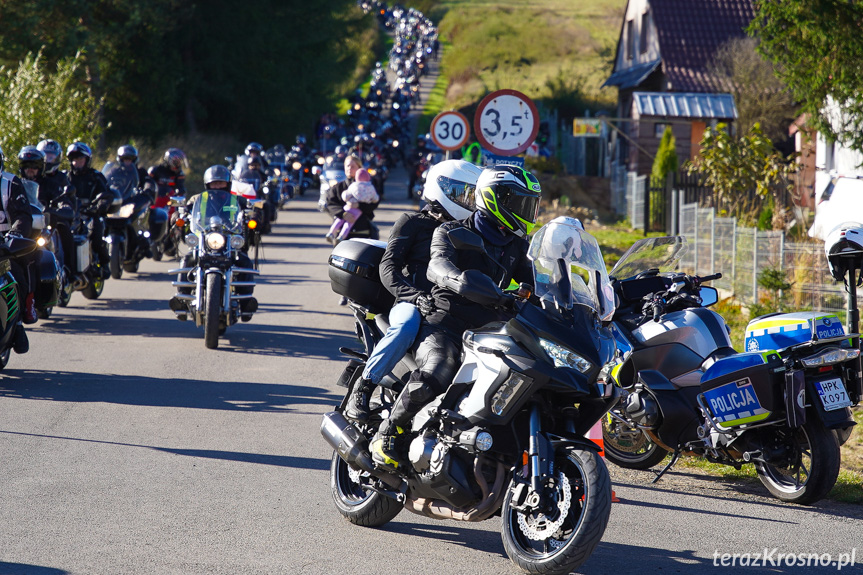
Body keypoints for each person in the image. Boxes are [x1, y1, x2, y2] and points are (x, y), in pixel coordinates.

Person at [370, 165, 542, 469]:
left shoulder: (516, 246)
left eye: (529, 203)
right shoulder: (452, 231)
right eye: (518, 202)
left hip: (490, 330)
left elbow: (540, 285)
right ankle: (390, 431)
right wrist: (458, 279)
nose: (525, 210)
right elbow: (437, 266)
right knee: (439, 368)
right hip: (446, 322)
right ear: (494, 199)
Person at [344, 160, 482, 422]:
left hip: (449, 309)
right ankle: (363, 388)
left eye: (471, 195)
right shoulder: (412, 221)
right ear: (440, 189)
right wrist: (414, 297)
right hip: (411, 301)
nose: (466, 200)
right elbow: (388, 268)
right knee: (407, 325)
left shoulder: (467, 232)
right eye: (460, 193)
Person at [169, 165, 258, 321]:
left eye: (220, 183)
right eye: (214, 183)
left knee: (245, 262)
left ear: (227, 183)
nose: (217, 186)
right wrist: (177, 215)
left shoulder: (237, 200)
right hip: (205, 240)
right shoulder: (197, 199)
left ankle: (245, 303)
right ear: (208, 184)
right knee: (187, 260)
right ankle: (182, 299)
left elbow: (251, 210)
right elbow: (185, 209)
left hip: (228, 240)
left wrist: (255, 216)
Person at [0, 145, 38, 338]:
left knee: (17, 273)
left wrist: (15, 233)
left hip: (5, 242)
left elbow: (24, 215)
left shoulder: (10, 183)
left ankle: (18, 320)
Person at [66, 142, 112, 279]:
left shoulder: (96, 176)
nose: (77, 162)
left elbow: (106, 194)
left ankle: (104, 263)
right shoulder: (66, 177)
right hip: (70, 215)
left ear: (87, 160)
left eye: (80, 159)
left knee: (96, 234)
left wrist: (101, 205)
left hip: (91, 214)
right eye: (74, 159)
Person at [33, 141, 77, 282]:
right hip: (36, 218)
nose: (48, 159)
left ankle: (70, 269)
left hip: (55, 217)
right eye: (45, 156)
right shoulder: (34, 179)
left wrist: (60, 208)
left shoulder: (61, 178)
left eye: (51, 156)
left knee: (64, 228)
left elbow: (66, 200)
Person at [324, 155, 378, 240]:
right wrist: (343, 214)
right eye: (347, 166)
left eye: (353, 166)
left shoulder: (367, 187)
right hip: (340, 232)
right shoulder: (337, 187)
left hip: (362, 231)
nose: (349, 168)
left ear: (359, 168)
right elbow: (330, 204)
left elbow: (374, 203)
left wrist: (359, 205)